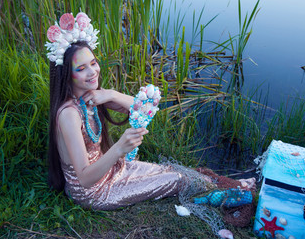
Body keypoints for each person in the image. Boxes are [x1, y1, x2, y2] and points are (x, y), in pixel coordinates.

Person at [46, 13, 211, 210]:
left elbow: (144, 109)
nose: (92, 72)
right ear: (66, 74)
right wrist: (119, 148)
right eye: (81, 68)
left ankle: (226, 184)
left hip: (110, 171)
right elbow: (85, 179)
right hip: (92, 192)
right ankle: (227, 191)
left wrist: (111, 94)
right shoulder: (69, 114)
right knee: (177, 180)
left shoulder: (90, 97)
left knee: (168, 169)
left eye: (93, 63)